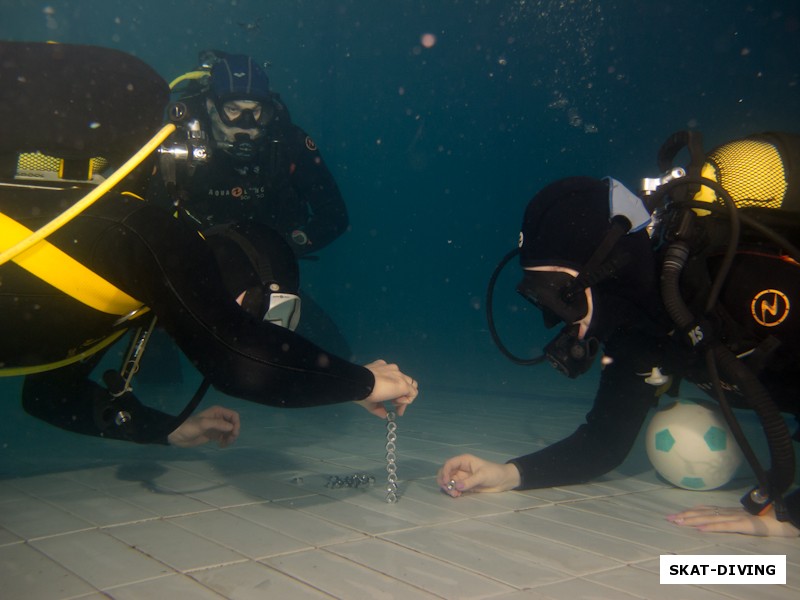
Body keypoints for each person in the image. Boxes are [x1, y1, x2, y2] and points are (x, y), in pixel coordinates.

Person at [0, 41, 418, 448]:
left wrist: (168, 429)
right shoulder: (149, 242)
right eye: (257, 311)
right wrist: (362, 383)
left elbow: (47, 396)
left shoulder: (138, 293)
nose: (252, 328)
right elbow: (242, 365)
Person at [437, 131, 800, 538]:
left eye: (561, 297)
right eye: (540, 302)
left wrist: (791, 518)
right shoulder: (637, 335)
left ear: (607, 270)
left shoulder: (746, 287)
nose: (554, 322)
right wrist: (507, 474)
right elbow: (604, 443)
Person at [150, 50, 348, 258]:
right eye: (233, 110)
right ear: (210, 106)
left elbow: (334, 215)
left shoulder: (289, 144)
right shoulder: (175, 145)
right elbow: (143, 216)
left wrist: (286, 247)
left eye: (254, 111)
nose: (245, 125)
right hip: (188, 261)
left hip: (265, 263)